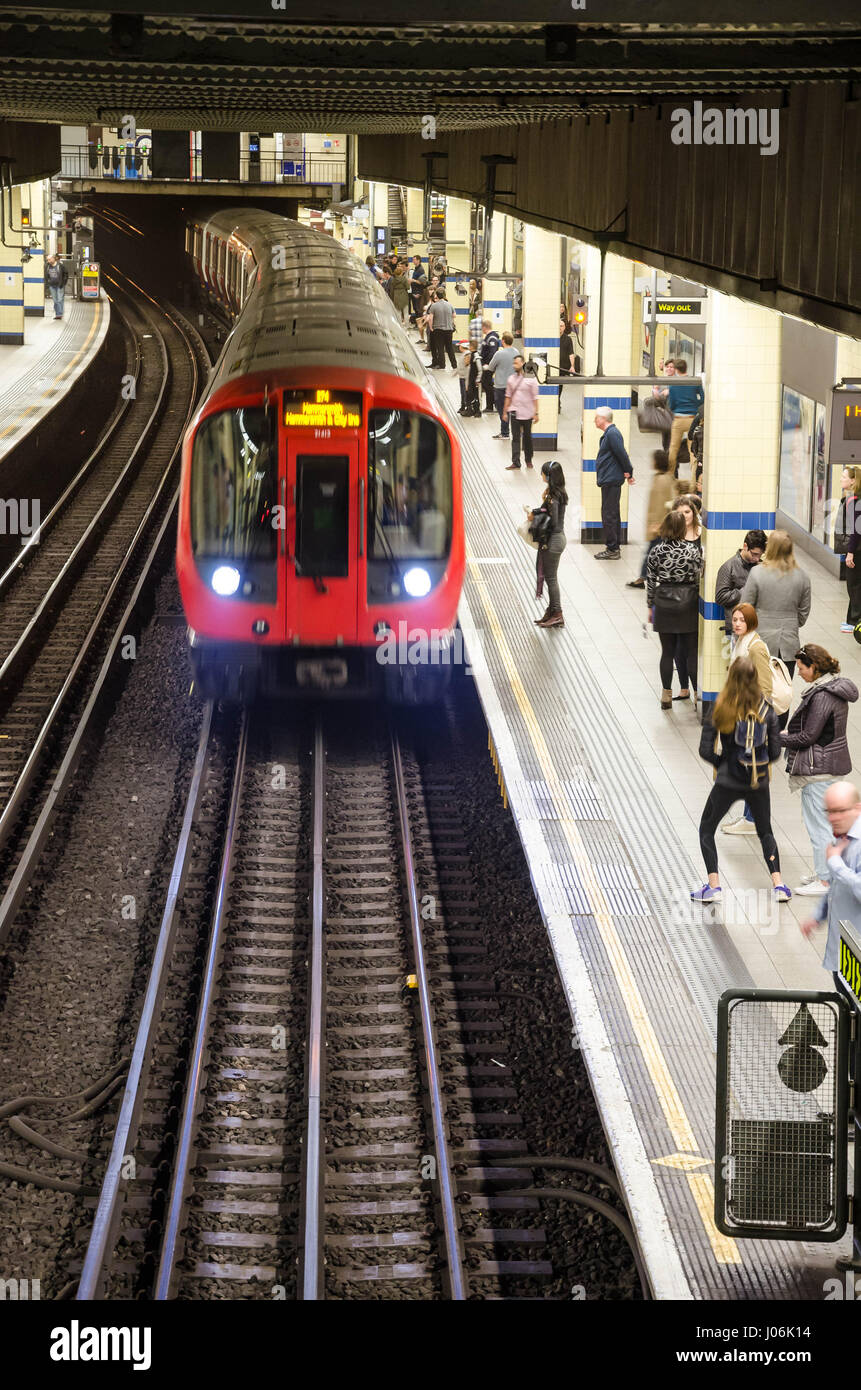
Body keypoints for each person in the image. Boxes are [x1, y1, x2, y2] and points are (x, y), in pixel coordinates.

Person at [692, 658, 790, 904]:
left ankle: (713, 885)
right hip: (758, 781)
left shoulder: (720, 707)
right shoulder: (766, 710)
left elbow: (705, 750)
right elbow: (776, 752)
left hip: (727, 781)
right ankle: (779, 884)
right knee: (765, 831)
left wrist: (722, 763)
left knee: (706, 828)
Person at [780, 645, 858, 896]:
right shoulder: (831, 688)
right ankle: (826, 872)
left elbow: (809, 736)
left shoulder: (823, 695)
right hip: (829, 766)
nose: (799, 673)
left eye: (802, 669)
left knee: (819, 826)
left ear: (814, 667)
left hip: (819, 769)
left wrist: (780, 738)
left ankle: (825, 880)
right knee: (825, 824)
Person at [740, 530, 811, 727]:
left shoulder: (757, 573)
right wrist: (789, 624)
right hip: (788, 644)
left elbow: (746, 607)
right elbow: (803, 613)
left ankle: (757, 733)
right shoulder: (802, 577)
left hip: (760, 641)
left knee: (757, 689)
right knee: (782, 692)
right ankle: (777, 737)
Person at [800, 782, 861, 990]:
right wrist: (819, 915)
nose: (833, 818)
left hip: (857, 959)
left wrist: (835, 863)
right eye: (830, 811)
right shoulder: (842, 838)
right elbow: (837, 887)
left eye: (840, 811)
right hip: (842, 957)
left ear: (857, 808)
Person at [646, 509, 702, 709]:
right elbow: (698, 578)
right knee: (691, 652)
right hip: (688, 602)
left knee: (667, 652)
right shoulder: (693, 551)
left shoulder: (656, 551)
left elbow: (651, 581)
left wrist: (650, 605)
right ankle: (697, 693)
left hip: (664, 602)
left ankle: (666, 695)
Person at [627, 448, 674, 590]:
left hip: (659, 526)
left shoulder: (661, 480)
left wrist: (657, 525)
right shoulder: (664, 477)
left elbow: (660, 505)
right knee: (654, 552)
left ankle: (642, 578)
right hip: (660, 525)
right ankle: (644, 577)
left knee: (652, 552)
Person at [528, 460, 568, 629]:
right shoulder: (556, 493)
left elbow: (554, 522)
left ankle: (557, 614)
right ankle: (551, 611)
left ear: (549, 476)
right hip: (556, 539)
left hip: (554, 540)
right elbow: (548, 512)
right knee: (551, 577)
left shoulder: (554, 497)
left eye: (543, 472)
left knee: (551, 578)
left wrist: (535, 517)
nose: (541, 475)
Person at [593, 407, 634, 559]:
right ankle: (614, 546)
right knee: (613, 513)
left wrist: (629, 471)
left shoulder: (612, 434)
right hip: (610, 478)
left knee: (608, 514)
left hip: (611, 479)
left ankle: (612, 549)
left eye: (596, 417)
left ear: (604, 419)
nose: (594, 420)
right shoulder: (610, 434)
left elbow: (622, 454)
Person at [714, 530, 768, 634]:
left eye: (760, 555)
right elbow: (720, 597)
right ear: (745, 546)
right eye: (754, 554)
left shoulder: (761, 567)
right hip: (737, 628)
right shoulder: (728, 567)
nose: (757, 558)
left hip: (758, 626)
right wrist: (746, 590)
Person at [833, 466, 861, 634]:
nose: (841, 479)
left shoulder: (853, 500)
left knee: (854, 586)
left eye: (844, 477)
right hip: (856, 549)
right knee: (854, 586)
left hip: (856, 551)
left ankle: (856, 620)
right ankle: (851, 619)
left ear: (853, 481)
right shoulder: (851, 498)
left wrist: (850, 552)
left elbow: (856, 530)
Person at [666, 359, 704, 478]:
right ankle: (694, 479)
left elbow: (671, 405)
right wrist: (693, 403)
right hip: (692, 419)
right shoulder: (694, 382)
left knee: (673, 448)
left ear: (676, 370)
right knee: (693, 450)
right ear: (686, 368)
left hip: (678, 419)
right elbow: (703, 399)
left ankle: (670, 476)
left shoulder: (673, 385)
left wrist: (679, 406)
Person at [502, 356, 539, 470]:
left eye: (516, 363)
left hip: (527, 413)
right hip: (514, 412)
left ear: (523, 364)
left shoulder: (531, 380)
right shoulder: (511, 379)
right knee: (516, 438)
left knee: (527, 438)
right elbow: (508, 396)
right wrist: (504, 412)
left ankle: (528, 460)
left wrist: (536, 413)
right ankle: (516, 462)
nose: (514, 365)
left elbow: (535, 397)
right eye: (514, 363)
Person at [488, 331, 518, 440]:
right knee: (512, 409)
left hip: (501, 385)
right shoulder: (516, 352)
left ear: (503, 341)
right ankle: (515, 431)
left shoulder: (499, 354)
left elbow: (491, 367)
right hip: (513, 386)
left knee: (502, 410)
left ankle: (505, 432)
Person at [428, 290, 457, 369]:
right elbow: (454, 315)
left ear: (436, 296)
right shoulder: (449, 305)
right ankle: (454, 365)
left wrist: (431, 328)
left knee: (440, 347)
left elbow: (430, 318)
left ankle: (442, 365)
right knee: (450, 348)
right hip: (448, 329)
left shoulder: (434, 306)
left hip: (438, 329)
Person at [479, 320, 500, 413]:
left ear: (484, 327)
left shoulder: (492, 338)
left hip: (488, 366)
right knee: (487, 384)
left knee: (487, 385)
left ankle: (490, 406)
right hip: (486, 365)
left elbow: (492, 352)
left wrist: (488, 364)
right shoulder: (488, 337)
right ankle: (491, 404)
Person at [558, 319, 575, 415]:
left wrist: (572, 366)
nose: (560, 328)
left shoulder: (568, 339)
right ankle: (556, 403)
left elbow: (571, 353)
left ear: (564, 328)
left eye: (562, 326)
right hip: (553, 366)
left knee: (560, 387)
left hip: (563, 367)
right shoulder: (553, 339)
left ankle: (558, 402)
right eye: (558, 326)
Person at [45, 253, 68, 320]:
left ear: (53, 258)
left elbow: (66, 274)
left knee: (60, 299)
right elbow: (46, 275)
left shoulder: (60, 266)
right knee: (55, 301)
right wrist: (47, 283)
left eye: (49, 259)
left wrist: (63, 283)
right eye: (47, 260)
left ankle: (59, 314)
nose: (48, 261)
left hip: (59, 285)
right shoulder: (47, 266)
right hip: (52, 285)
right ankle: (58, 313)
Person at [409, 255, 427, 322]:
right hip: (414, 291)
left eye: (414, 259)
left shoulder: (420, 270)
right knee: (415, 308)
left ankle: (419, 324)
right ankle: (417, 323)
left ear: (418, 260)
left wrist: (413, 280)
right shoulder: (416, 268)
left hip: (418, 292)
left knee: (418, 309)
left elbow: (422, 282)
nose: (413, 261)